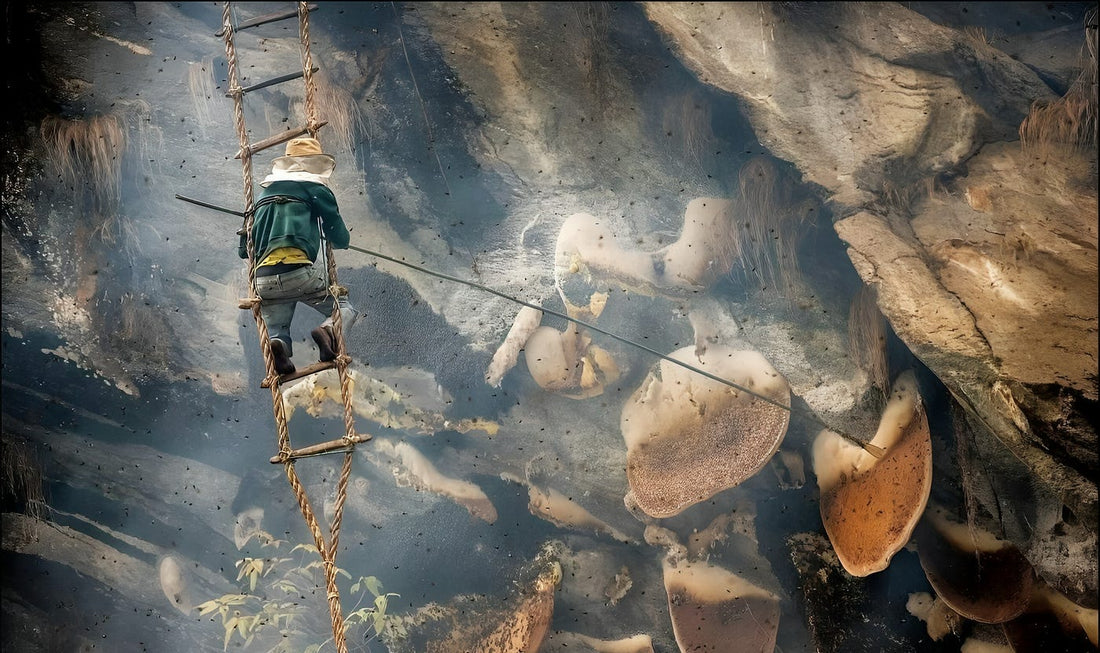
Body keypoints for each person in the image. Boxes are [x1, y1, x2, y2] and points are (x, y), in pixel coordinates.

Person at [238, 137, 359, 376]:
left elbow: (244, 251)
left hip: (263, 281)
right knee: (344, 307)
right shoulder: (315, 189)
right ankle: (328, 331)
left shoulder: (260, 198)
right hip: (299, 275)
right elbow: (341, 238)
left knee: (276, 328)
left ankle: (278, 346)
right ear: (315, 164)